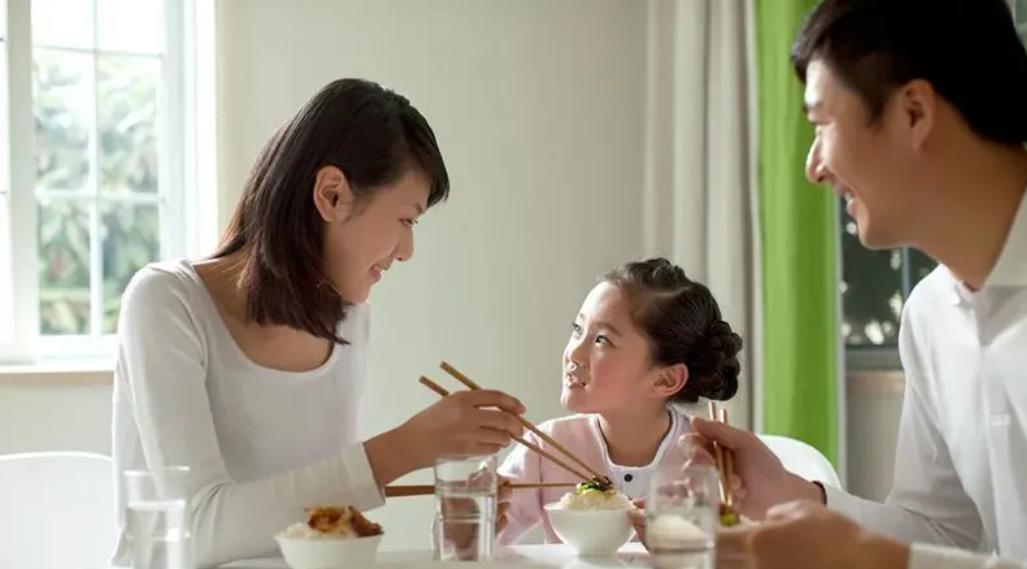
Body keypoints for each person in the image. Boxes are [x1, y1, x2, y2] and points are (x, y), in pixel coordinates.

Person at [111, 78, 525, 567]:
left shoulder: (348, 320)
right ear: (331, 194)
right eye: (407, 220)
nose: (407, 251)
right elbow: (199, 529)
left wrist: (454, 526)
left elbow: (319, 520)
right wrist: (406, 448)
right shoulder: (166, 302)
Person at [683, 1, 1027, 567]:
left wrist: (877, 561)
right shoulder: (931, 315)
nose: (814, 167)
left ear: (913, 112)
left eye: (822, 124)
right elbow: (944, 531)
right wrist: (793, 496)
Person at [498, 257, 742, 544]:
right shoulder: (546, 446)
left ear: (665, 379)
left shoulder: (711, 461)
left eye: (602, 340)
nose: (574, 353)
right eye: (578, 329)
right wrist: (473, 513)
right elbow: (469, 547)